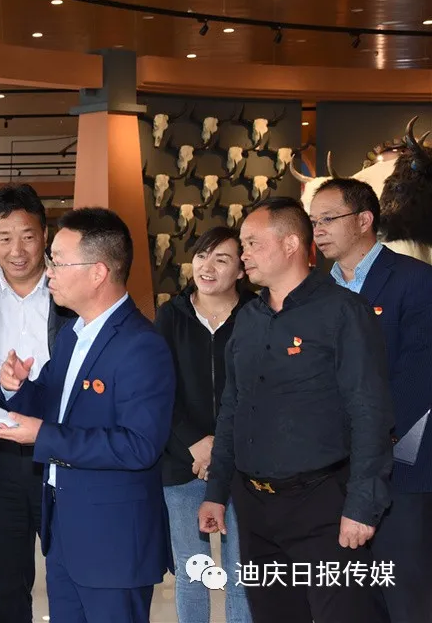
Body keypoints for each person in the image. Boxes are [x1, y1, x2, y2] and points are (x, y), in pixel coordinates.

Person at [200, 197, 393, 623]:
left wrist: (362, 506)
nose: (244, 254)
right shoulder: (248, 318)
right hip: (254, 507)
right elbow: (232, 407)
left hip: (323, 504)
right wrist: (216, 492)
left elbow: (370, 413)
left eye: (253, 243)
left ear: (290, 244)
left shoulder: (343, 311)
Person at [0, 207, 175, 623]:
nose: (48, 272)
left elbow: (139, 446)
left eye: (58, 261)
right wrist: (17, 389)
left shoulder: (141, 346)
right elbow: (55, 403)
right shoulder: (74, 333)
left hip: (112, 541)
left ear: (98, 273)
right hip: (66, 532)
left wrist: (43, 436)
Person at [0, 184, 75, 623]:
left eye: (27, 236)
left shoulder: (70, 289)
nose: (16, 250)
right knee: (7, 579)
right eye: (4, 238)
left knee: (71, 570)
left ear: (45, 235)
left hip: (62, 451)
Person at [311, 178, 432, 623]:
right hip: (333, 471)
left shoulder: (415, 280)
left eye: (328, 219)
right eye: (313, 222)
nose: (318, 230)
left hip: (401, 466)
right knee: (353, 600)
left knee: (406, 595)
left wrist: (369, 440)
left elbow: (419, 377)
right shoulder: (316, 291)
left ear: (364, 220)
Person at [154, 226, 253, 623]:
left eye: (221, 259)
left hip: (243, 462)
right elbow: (158, 389)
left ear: (242, 270)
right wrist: (195, 442)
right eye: (201, 256)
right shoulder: (170, 316)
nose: (206, 267)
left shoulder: (257, 315)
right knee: (192, 570)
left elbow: (261, 391)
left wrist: (222, 448)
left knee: (242, 571)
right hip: (183, 462)